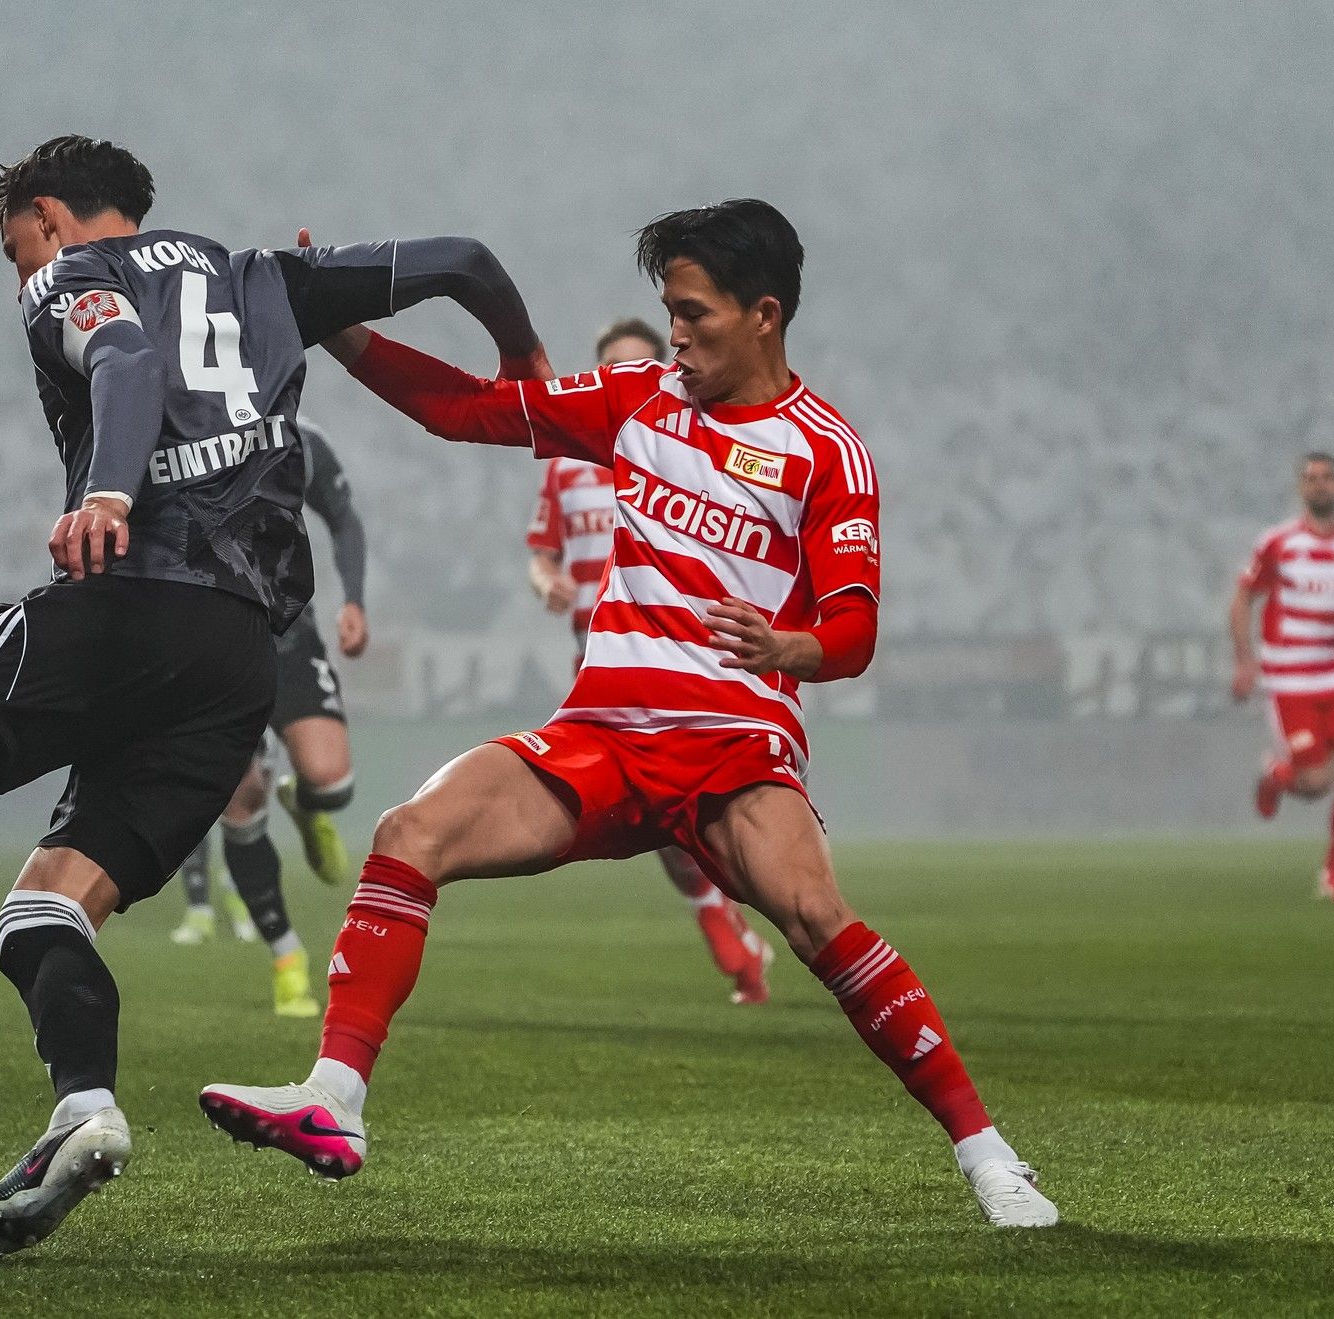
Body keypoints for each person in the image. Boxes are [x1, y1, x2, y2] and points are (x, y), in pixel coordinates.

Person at [0, 134, 546, 1259]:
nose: (22, 278)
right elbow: (464, 258)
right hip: (236, 659)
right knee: (45, 910)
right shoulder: (268, 276)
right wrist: (529, 366)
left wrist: (108, 485)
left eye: (17, 249)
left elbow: (123, 364)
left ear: (50, 217)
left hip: (126, 600)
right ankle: (83, 1105)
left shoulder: (71, 278)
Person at [202, 200, 1059, 1228]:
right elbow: (464, 407)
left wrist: (787, 647)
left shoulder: (826, 452)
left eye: (693, 314)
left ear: (765, 315)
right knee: (409, 830)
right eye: (670, 310)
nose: (677, 333)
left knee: (816, 919)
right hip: (599, 738)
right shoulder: (633, 400)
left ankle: (989, 1156)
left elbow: (853, 632)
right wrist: (342, 330)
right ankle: (334, 1097)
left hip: (731, 748)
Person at [528, 316, 774, 1004]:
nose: (632, 383)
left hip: (689, 653)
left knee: (696, 812)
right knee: (658, 818)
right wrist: (545, 579)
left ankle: (762, 919)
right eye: (615, 371)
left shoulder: (698, 450)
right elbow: (543, 552)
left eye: (644, 366)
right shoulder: (569, 466)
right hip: (603, 657)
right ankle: (727, 925)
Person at [170, 417, 370, 1019]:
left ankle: (307, 805)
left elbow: (344, 518)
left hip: (287, 632)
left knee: (332, 780)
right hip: (208, 642)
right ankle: (287, 957)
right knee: (240, 800)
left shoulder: (300, 438)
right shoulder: (173, 434)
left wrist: (355, 599)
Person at [1231, 452, 1334, 902]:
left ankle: (1332, 875)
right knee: (1316, 784)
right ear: (1301, 489)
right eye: (1310, 479)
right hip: (1290, 681)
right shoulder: (1279, 543)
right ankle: (1276, 776)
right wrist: (1245, 660)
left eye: (1327, 478)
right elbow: (1243, 598)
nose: (1319, 485)